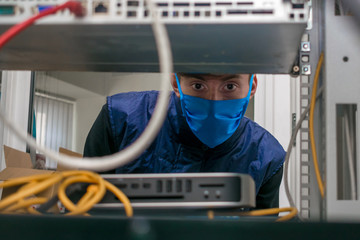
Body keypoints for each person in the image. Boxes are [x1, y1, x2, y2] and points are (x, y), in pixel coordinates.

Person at [84, 73, 285, 209]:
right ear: (176, 84)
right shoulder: (121, 119)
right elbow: (84, 209)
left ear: (252, 87)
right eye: (198, 86)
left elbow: (261, 231)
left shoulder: (266, 156)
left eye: (230, 86)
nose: (213, 101)